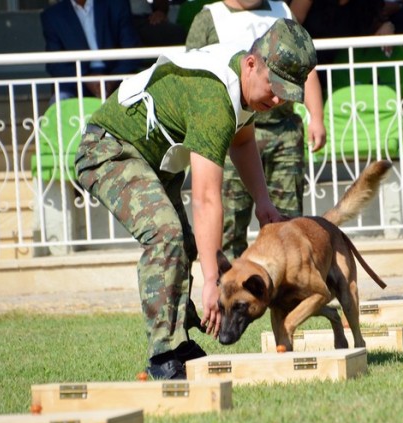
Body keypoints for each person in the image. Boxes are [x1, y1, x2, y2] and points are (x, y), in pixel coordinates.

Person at [74, 18, 317, 379]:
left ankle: (180, 340)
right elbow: (205, 199)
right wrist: (211, 280)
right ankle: (163, 354)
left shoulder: (243, 84)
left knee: (188, 244)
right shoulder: (214, 98)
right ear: (252, 64)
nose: (278, 99)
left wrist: (263, 202)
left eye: (287, 92)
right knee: (166, 235)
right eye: (275, 86)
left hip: (155, 160)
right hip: (108, 150)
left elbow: (243, 141)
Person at [186, 0, 326, 259]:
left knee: (287, 223)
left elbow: (306, 71)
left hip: (282, 132)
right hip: (230, 135)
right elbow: (194, 73)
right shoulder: (209, 17)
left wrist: (316, 115)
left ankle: (289, 294)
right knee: (229, 226)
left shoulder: (282, 10)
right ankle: (227, 293)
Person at [41, 0, 142, 100]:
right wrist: (86, 79)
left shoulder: (117, 4)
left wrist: (111, 80)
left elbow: (131, 48)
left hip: (117, 76)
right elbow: (54, 64)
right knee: (59, 101)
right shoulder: (53, 15)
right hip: (76, 80)